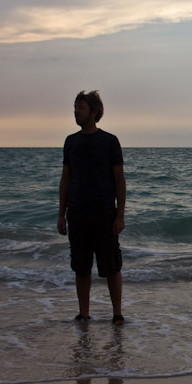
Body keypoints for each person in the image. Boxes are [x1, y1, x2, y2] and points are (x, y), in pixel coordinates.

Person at [57, 90, 126, 325]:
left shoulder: (109, 141)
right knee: (81, 266)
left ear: (94, 112)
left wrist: (120, 215)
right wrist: (61, 215)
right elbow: (65, 179)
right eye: (75, 107)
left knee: (112, 265)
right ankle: (84, 313)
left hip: (104, 212)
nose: (76, 112)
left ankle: (117, 314)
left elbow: (119, 179)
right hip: (76, 212)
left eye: (81, 108)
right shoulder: (71, 142)